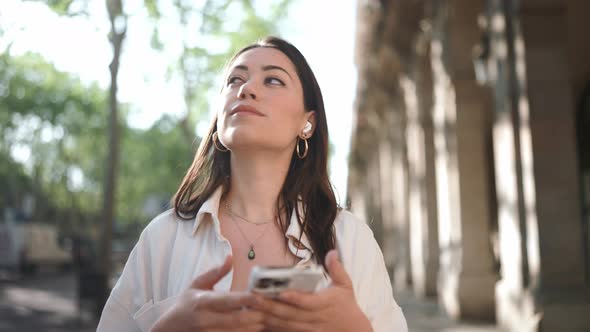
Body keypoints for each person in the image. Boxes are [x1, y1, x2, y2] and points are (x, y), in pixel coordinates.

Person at [97, 36, 408, 332]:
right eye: (234, 80)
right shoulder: (162, 238)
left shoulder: (351, 240)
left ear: (307, 122)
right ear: (219, 118)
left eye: (273, 80)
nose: (246, 89)